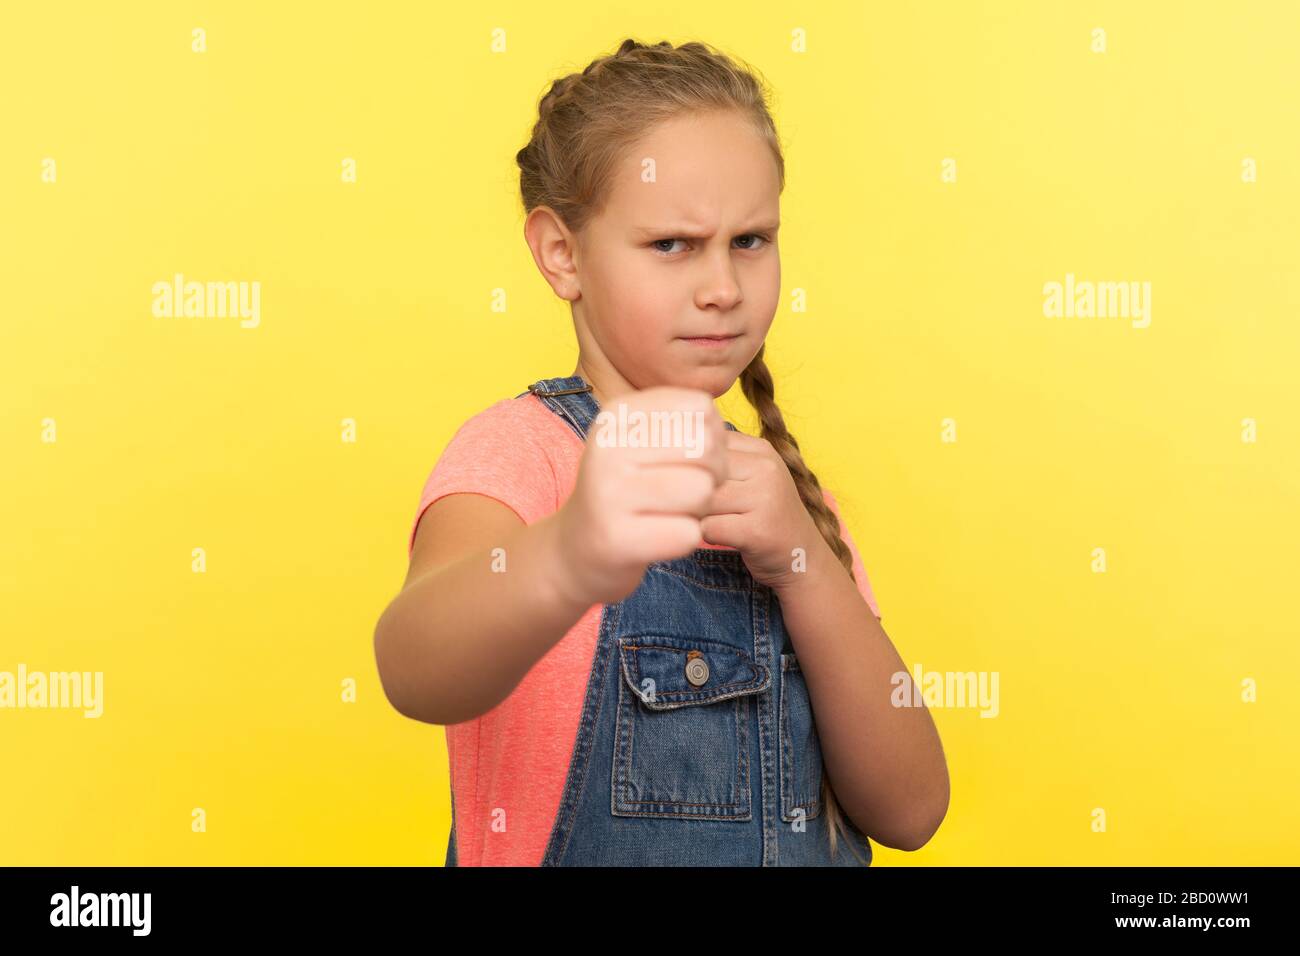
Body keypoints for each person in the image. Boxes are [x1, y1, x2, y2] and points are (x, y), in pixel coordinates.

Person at [373, 38, 949, 866]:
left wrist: (802, 563)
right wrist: (569, 555)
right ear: (561, 253)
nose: (722, 286)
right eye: (673, 245)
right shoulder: (522, 454)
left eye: (750, 240)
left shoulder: (781, 498)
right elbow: (411, 667)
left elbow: (913, 809)